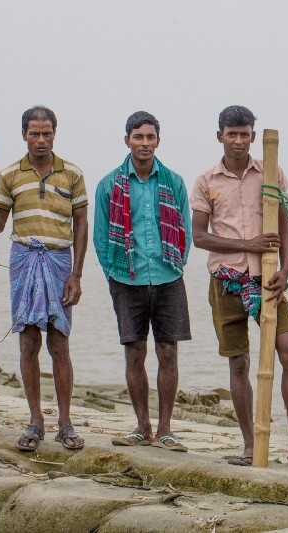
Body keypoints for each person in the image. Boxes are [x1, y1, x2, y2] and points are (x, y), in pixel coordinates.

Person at [190, 105, 288, 467]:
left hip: (267, 280)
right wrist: (245, 245)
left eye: (245, 133)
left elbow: (284, 223)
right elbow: (200, 237)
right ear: (219, 135)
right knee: (239, 362)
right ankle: (251, 445)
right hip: (226, 279)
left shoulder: (270, 171)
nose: (238, 140)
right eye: (231, 133)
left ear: (254, 135)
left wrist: (285, 268)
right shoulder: (207, 180)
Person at [0, 105, 88, 451]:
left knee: (59, 342)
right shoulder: (9, 175)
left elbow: (81, 223)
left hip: (59, 260)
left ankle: (64, 422)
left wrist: (76, 275)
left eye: (46, 133)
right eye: (34, 133)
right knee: (28, 342)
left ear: (55, 133)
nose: (40, 139)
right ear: (24, 134)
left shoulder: (72, 174)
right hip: (24, 260)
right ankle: (35, 420)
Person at [93, 111, 192, 452]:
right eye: (139, 137)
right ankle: (142, 425)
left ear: (158, 141)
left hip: (168, 276)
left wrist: (177, 263)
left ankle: (165, 429)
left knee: (168, 351)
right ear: (127, 141)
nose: (145, 143)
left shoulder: (174, 182)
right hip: (126, 278)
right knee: (134, 353)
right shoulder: (109, 184)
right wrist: (113, 273)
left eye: (151, 137)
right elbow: (101, 237)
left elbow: (185, 231)